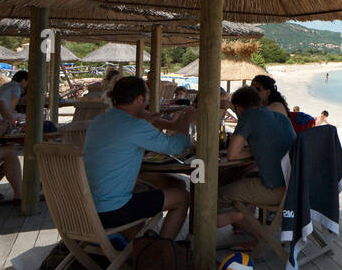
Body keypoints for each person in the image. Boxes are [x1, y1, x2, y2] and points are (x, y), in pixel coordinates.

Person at [83, 76, 237, 238]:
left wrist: (156, 122)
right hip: (112, 210)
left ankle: (140, 238)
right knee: (182, 197)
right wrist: (186, 119)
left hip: (88, 205)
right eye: (147, 97)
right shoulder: (135, 126)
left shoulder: (99, 121)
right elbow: (177, 146)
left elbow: (145, 133)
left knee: (173, 183)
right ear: (139, 99)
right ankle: (161, 249)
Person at [220, 87, 296, 222]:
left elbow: (231, 155)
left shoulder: (248, 116)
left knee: (220, 194)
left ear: (238, 108)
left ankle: (245, 224)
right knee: (240, 179)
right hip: (295, 186)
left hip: (276, 189)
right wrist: (255, 149)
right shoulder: (281, 117)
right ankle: (249, 228)